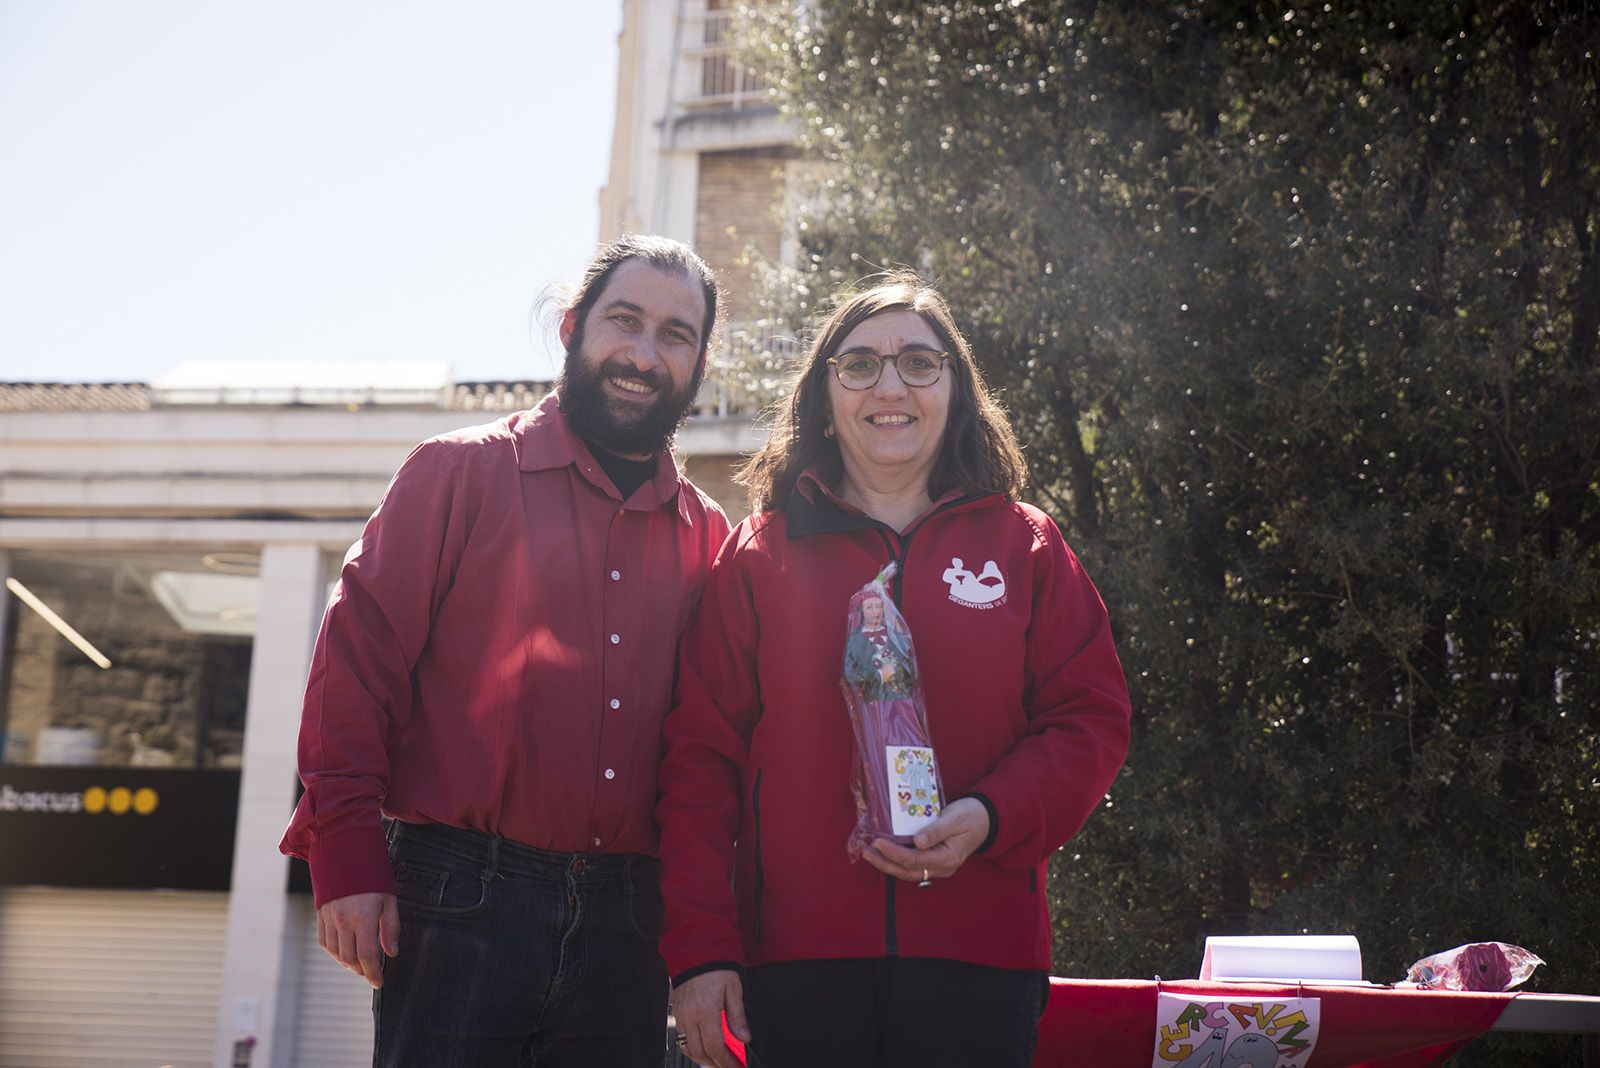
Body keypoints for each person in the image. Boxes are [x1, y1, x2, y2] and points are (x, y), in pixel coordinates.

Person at [657, 273, 1133, 1068]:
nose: (890, 386)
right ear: (825, 394)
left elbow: (1090, 720)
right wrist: (702, 953)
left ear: (956, 389)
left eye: (919, 362)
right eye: (860, 365)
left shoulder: (1027, 546)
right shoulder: (757, 556)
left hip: (980, 958)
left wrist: (988, 815)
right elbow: (698, 764)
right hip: (795, 967)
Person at [279, 234, 732, 1066]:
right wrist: (344, 854)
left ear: (700, 360)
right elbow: (355, 667)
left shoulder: (711, 539)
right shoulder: (455, 473)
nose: (643, 353)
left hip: (630, 925)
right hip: (458, 901)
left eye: (676, 335)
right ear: (571, 329)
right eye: (623, 321)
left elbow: (708, 755)